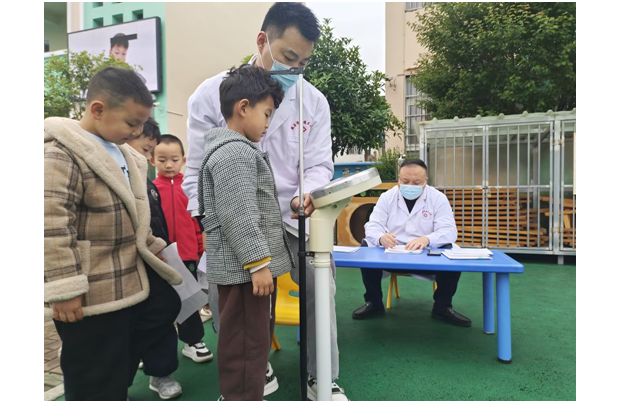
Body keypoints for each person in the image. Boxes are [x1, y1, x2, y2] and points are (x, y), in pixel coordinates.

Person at [184, 3, 348, 400]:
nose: (295, 70)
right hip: (234, 219)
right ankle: (252, 374)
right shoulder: (211, 94)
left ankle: (321, 375)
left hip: (293, 218)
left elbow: (319, 164)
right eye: (289, 57)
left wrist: (308, 193)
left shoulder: (314, 101)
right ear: (263, 41)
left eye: (303, 63)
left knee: (319, 286)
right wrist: (210, 223)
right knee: (229, 304)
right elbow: (197, 171)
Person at [44, 66, 182, 401]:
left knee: (155, 317)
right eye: (132, 123)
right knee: (94, 374)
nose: (137, 131)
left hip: (129, 277)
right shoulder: (61, 152)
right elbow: (49, 222)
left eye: (141, 124)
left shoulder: (123, 153)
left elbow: (136, 214)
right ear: (98, 109)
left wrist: (153, 246)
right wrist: (65, 287)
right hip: (92, 289)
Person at [198, 64, 294, 401]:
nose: (268, 123)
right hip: (244, 274)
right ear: (243, 107)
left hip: (246, 273)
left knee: (252, 341)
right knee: (245, 346)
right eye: (266, 114)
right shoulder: (235, 152)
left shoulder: (235, 149)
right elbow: (238, 213)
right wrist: (258, 264)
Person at [352, 159, 472, 327]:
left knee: (450, 251)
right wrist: (381, 237)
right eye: (405, 181)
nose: (410, 186)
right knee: (367, 247)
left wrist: (427, 239)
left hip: (426, 255)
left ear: (426, 181)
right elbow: (373, 225)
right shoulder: (387, 197)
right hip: (391, 254)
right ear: (398, 179)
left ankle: (443, 307)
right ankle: (373, 303)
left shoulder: (438, 198)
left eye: (416, 182)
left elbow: (449, 231)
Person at [126, 117, 183, 400]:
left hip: (156, 261)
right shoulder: (116, 177)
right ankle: (119, 380)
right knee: (124, 325)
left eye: (150, 151)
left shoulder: (147, 184)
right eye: (145, 150)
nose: (146, 157)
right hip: (125, 268)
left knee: (165, 309)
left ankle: (161, 372)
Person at [152, 134, 213, 363]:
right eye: (162, 160)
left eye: (174, 159)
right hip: (160, 257)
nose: (169, 165)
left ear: (184, 160)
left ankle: (193, 341)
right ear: (152, 161)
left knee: (189, 299)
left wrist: (200, 249)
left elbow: (198, 223)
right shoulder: (150, 190)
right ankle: (152, 348)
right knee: (159, 304)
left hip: (188, 255)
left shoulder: (190, 188)